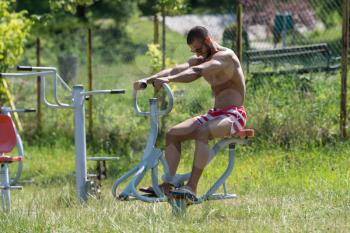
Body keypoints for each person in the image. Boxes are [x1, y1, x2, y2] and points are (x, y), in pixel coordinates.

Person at [134, 26, 247, 201]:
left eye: (199, 49)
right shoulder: (202, 57)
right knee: (173, 134)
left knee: (203, 131)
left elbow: (196, 72)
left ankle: (191, 188)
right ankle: (167, 185)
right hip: (215, 114)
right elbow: (176, 70)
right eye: (194, 51)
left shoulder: (225, 57)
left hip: (234, 115)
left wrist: (169, 80)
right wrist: (147, 80)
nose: (198, 54)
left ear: (208, 40)